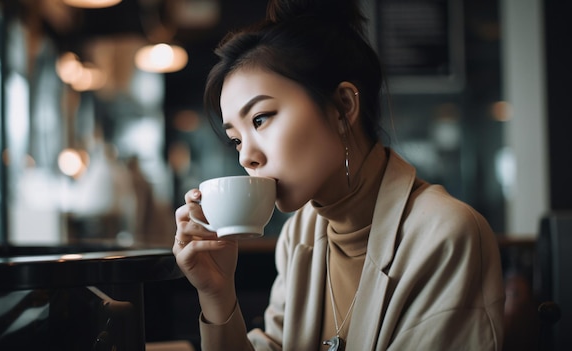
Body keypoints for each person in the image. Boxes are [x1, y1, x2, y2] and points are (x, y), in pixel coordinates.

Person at [172, 0, 505, 350]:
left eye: (260, 119)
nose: (247, 157)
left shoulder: (445, 235)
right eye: (235, 140)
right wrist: (218, 294)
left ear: (343, 107)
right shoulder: (299, 236)